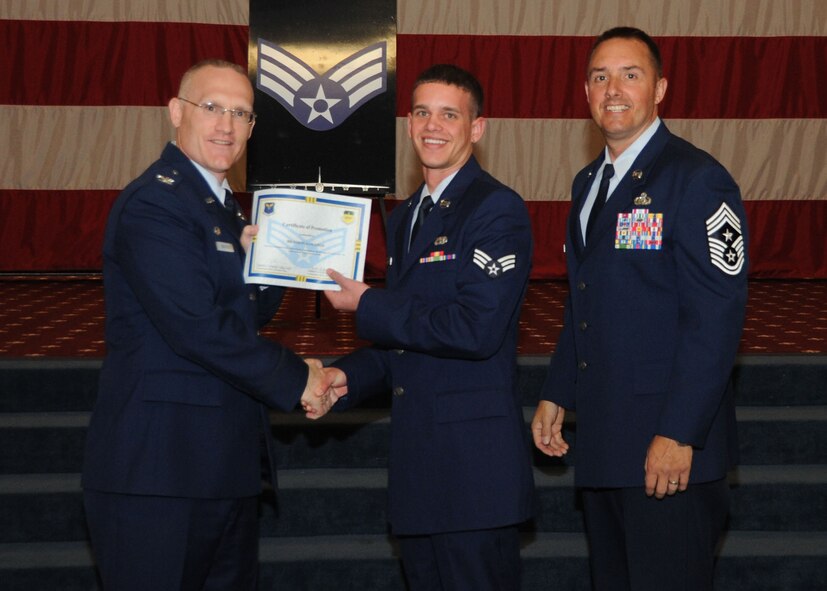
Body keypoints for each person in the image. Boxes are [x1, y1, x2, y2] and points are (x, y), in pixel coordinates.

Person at [81, 59, 339, 590]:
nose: (226, 124)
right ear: (177, 112)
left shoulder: (225, 211)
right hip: (159, 474)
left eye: (241, 113)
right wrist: (299, 378)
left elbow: (239, 315)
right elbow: (197, 327)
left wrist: (272, 264)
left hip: (221, 468)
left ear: (251, 129)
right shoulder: (156, 202)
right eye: (212, 107)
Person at [531, 27, 748, 590]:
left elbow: (715, 319)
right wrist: (558, 389)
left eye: (631, 74)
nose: (613, 89)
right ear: (585, 92)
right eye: (600, 76)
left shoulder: (698, 179)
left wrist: (680, 434)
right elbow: (585, 299)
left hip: (668, 451)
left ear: (660, 89)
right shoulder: (587, 184)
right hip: (606, 442)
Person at [323, 64, 535, 590]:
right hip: (419, 472)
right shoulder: (404, 217)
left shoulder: (496, 210)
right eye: (421, 112)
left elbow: (474, 329)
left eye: (449, 114)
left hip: (474, 477)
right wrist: (345, 377)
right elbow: (409, 335)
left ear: (476, 128)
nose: (432, 125)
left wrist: (368, 303)